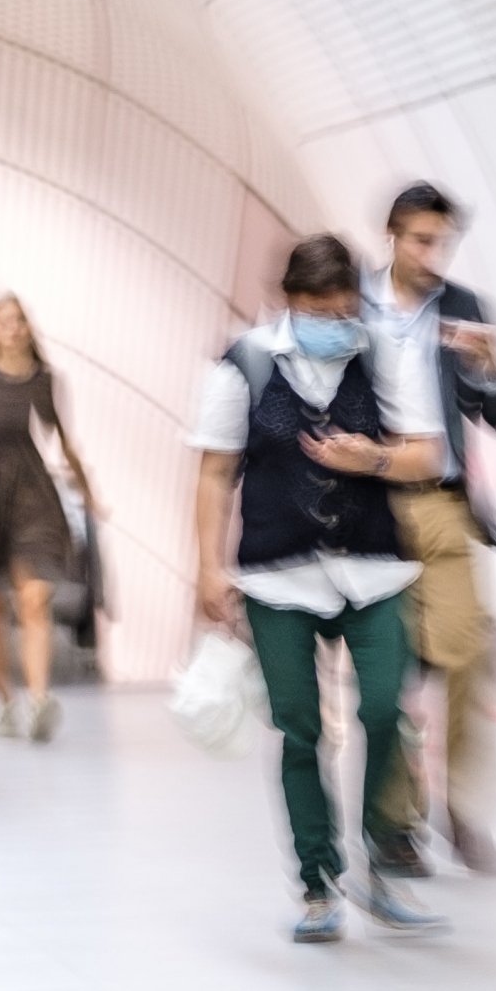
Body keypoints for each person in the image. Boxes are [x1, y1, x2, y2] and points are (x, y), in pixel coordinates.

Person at [193, 233, 447, 942]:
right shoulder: (243, 362)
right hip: (278, 576)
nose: (334, 324)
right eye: (318, 311)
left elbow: (427, 455)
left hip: (376, 569)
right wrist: (209, 567)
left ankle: (381, 862)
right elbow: (215, 472)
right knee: (300, 727)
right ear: (289, 301)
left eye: (343, 312)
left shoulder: (384, 354)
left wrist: (375, 459)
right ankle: (316, 884)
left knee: (386, 708)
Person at [362, 183, 496, 875]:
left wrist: (490, 371)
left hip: (442, 503)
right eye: (421, 240)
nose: (434, 254)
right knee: (386, 673)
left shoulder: (465, 308)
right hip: (370, 503)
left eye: (444, 242)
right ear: (393, 235)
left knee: (467, 658)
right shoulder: (354, 306)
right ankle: (395, 823)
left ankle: (463, 811)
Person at [0, 295, 99, 742]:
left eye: (18, 320)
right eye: (2, 320)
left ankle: (39, 699)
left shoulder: (44, 379)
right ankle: (4, 699)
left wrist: (88, 491)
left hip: (34, 496)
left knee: (34, 597)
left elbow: (64, 438)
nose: (12, 327)